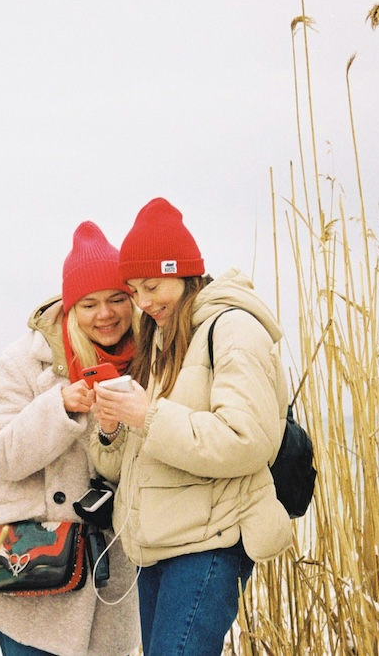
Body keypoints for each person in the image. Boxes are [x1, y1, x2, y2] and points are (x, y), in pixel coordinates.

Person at [90, 197, 293, 654]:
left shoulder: (233, 329)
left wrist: (147, 416)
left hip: (209, 543)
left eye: (151, 286)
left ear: (182, 272)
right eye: (134, 290)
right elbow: (133, 460)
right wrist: (111, 430)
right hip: (156, 548)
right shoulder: (158, 338)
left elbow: (248, 441)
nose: (142, 301)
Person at [0, 221, 142, 656]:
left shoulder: (151, 356)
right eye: (89, 303)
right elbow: (2, 455)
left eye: (117, 299)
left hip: (109, 573)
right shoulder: (24, 359)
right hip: (33, 569)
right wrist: (60, 407)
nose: (105, 314)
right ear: (70, 306)